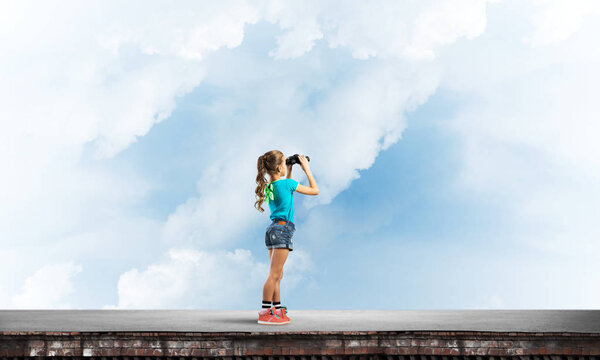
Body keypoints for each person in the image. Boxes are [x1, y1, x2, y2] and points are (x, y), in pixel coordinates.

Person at [254, 150, 319, 325]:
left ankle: (276, 308)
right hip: (283, 230)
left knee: (277, 274)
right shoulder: (288, 184)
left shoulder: (269, 187)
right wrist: (306, 169)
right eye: (284, 162)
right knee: (274, 274)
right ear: (278, 167)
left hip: (273, 230)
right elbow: (315, 190)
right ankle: (266, 312)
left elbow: (286, 192)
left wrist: (288, 168)